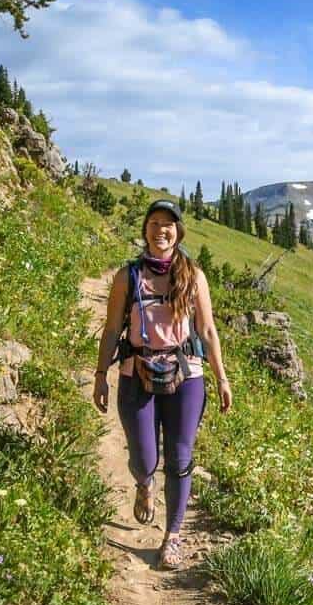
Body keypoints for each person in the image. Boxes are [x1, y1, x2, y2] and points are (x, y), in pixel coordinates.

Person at [92, 199, 233, 570]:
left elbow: (206, 329)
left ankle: (172, 536)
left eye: (168, 224)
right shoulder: (128, 276)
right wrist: (100, 374)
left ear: (178, 231)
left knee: (180, 457)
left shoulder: (194, 275)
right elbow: (111, 329)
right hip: (135, 372)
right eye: (154, 223)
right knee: (144, 457)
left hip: (187, 374)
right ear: (145, 230)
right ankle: (143, 482)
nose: (161, 230)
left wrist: (222, 377)